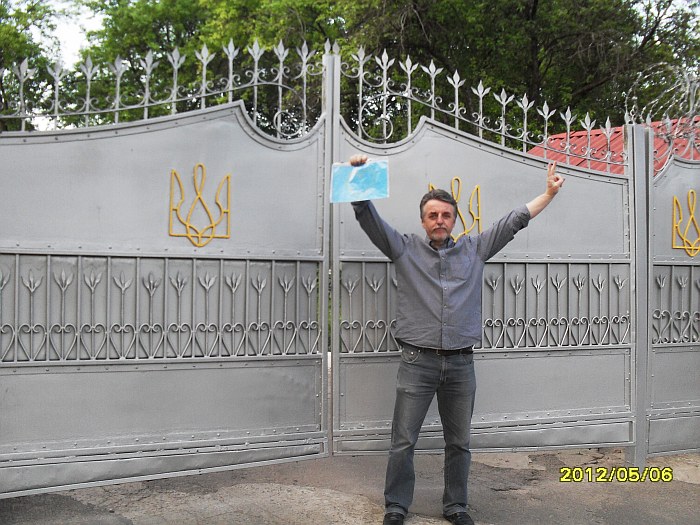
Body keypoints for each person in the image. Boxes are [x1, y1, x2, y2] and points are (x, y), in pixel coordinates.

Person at [348, 154, 564, 525]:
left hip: (462, 363)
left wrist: (548, 194)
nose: (439, 220)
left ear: (454, 220)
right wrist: (358, 176)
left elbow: (513, 221)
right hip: (417, 362)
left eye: (446, 215)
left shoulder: (474, 249)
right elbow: (368, 217)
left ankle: (456, 506)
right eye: (432, 215)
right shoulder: (404, 249)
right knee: (403, 440)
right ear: (423, 221)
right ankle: (396, 506)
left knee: (459, 443)